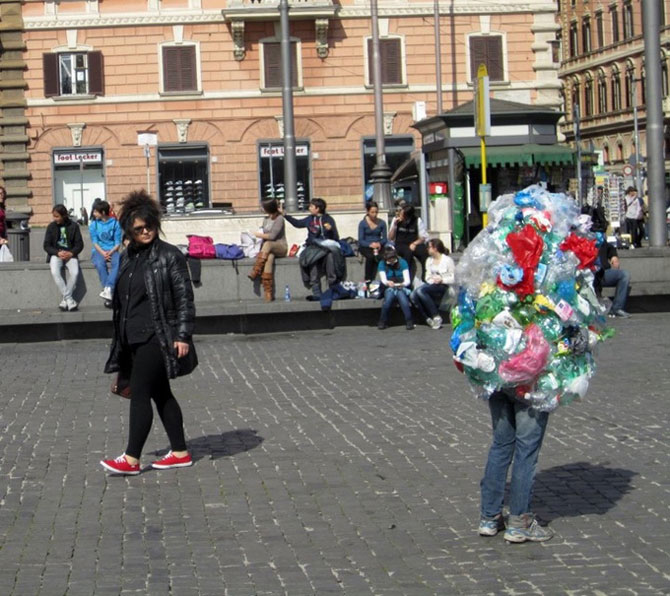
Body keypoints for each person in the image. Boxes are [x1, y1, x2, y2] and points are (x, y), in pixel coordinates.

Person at [101, 190, 197, 475]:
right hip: (133, 337)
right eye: (138, 228)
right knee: (161, 393)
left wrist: (183, 335)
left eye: (149, 226)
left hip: (159, 336)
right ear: (129, 229)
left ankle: (131, 459)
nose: (145, 232)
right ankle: (180, 451)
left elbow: (184, 298)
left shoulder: (169, 256)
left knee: (140, 392)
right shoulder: (130, 256)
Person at [478, 390, 554, 543]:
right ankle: (520, 523)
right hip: (530, 385)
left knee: (500, 446)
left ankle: (489, 518)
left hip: (499, 379)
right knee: (526, 452)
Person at [282, 197, 342, 300]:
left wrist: (330, 230)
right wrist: (285, 215)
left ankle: (333, 288)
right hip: (313, 247)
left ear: (317, 209)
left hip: (325, 248)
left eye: (311, 206)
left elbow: (336, 238)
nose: (309, 208)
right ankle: (316, 292)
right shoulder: (310, 219)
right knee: (311, 260)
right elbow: (298, 223)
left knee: (331, 257)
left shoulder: (328, 219)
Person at [43, 204, 84, 311]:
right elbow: (46, 245)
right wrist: (57, 253)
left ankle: (65, 300)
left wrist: (71, 253)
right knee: (55, 272)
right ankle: (69, 299)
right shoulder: (51, 227)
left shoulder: (74, 226)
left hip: (70, 254)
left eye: (57, 216)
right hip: (56, 255)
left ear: (64, 215)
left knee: (75, 273)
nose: (55, 219)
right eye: (54, 216)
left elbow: (79, 244)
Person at [247, 198, 288, 301]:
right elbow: (264, 232)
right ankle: (268, 292)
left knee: (268, 243)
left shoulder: (279, 219)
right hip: (268, 250)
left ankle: (256, 270)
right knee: (269, 258)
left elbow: (272, 236)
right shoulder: (266, 219)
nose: (261, 208)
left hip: (280, 246)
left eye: (263, 207)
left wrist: (257, 234)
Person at [410, 238, 455, 329]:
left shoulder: (447, 260)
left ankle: (436, 316)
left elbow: (454, 277)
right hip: (432, 284)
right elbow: (427, 276)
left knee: (420, 291)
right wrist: (432, 280)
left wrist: (442, 279)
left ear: (435, 248)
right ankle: (427, 318)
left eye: (429, 247)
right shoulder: (429, 260)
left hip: (444, 285)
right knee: (413, 295)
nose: (427, 249)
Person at [89, 200, 123, 303]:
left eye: (95, 212)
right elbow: (95, 242)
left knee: (118, 263)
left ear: (103, 212)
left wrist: (110, 252)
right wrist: (103, 253)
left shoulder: (115, 224)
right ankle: (109, 290)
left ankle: (108, 288)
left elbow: (117, 242)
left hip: (113, 250)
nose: (93, 214)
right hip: (98, 251)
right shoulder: (94, 225)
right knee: (99, 264)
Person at [388, 202, 429, 282]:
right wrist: (395, 226)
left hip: (414, 242)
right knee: (408, 252)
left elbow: (423, 237)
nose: (400, 215)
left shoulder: (417, 220)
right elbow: (390, 237)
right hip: (400, 244)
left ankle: (425, 277)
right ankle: (406, 278)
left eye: (403, 214)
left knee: (424, 253)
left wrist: (415, 243)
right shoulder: (396, 220)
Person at [376, 245, 414, 330]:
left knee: (403, 298)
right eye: (389, 259)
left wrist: (402, 284)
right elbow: (383, 279)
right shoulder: (382, 264)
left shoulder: (402, 262)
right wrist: (387, 283)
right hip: (389, 286)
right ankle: (382, 321)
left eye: (392, 259)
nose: (391, 261)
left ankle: (409, 321)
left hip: (401, 285)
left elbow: (407, 280)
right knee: (388, 299)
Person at [595, 238, 631, 318]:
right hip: (587, 273)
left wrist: (613, 256)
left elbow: (609, 247)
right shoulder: (581, 236)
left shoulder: (599, 237)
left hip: (603, 273)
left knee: (624, 275)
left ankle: (617, 308)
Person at [357, 200, 387, 283]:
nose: (374, 214)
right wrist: (370, 244)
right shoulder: (363, 224)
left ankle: (385, 280)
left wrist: (379, 243)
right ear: (367, 211)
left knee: (381, 257)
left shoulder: (382, 223)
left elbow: (385, 238)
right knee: (370, 257)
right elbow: (361, 240)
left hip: (378, 245)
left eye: (376, 212)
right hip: (366, 245)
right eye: (372, 212)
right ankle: (368, 279)